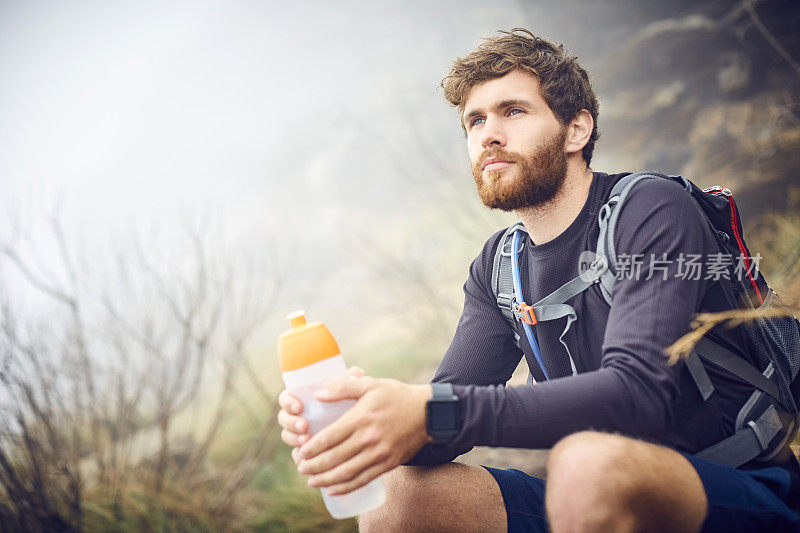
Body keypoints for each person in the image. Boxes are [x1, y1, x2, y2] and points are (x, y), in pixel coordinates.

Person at [277, 28, 800, 532]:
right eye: (474, 121)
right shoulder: (499, 267)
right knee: (398, 495)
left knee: (589, 463)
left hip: (735, 491)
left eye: (513, 111)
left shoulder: (652, 209)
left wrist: (431, 409)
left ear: (577, 129)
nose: (489, 134)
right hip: (589, 499)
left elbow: (636, 397)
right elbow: (443, 423)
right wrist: (370, 416)